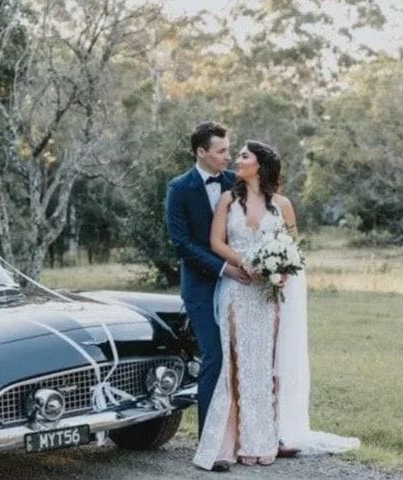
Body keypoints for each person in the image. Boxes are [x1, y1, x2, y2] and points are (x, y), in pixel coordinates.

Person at [193, 140, 360, 471]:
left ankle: (260, 442)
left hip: (266, 296)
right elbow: (215, 243)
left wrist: (280, 271)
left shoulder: (282, 205)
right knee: (235, 364)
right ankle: (228, 444)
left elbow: (293, 249)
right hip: (236, 289)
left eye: (244, 156)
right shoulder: (228, 199)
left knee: (263, 366)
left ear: (260, 165)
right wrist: (246, 261)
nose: (237, 160)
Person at [165, 122, 251, 472]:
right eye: (221, 151)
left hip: (238, 286)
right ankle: (209, 443)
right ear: (201, 152)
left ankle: (244, 437)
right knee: (214, 357)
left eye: (229, 151)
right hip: (201, 288)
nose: (228, 157)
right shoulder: (179, 188)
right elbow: (181, 243)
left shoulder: (234, 183)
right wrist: (221, 269)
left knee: (241, 358)